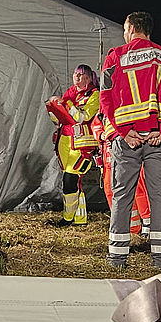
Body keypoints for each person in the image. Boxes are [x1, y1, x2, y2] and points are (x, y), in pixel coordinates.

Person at [100, 11, 161, 269]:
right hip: (159, 140)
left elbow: (106, 97)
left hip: (128, 140)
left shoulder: (116, 57)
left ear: (130, 29)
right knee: (159, 197)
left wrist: (123, 131)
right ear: (149, 30)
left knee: (122, 195)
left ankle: (118, 258)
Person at [45, 65, 101, 225]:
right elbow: (59, 119)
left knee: (70, 178)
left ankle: (67, 218)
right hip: (64, 141)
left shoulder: (94, 95)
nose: (76, 77)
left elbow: (83, 117)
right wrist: (54, 109)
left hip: (81, 144)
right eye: (75, 74)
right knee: (73, 180)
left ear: (89, 78)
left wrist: (66, 105)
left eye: (81, 75)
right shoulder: (70, 92)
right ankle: (79, 218)